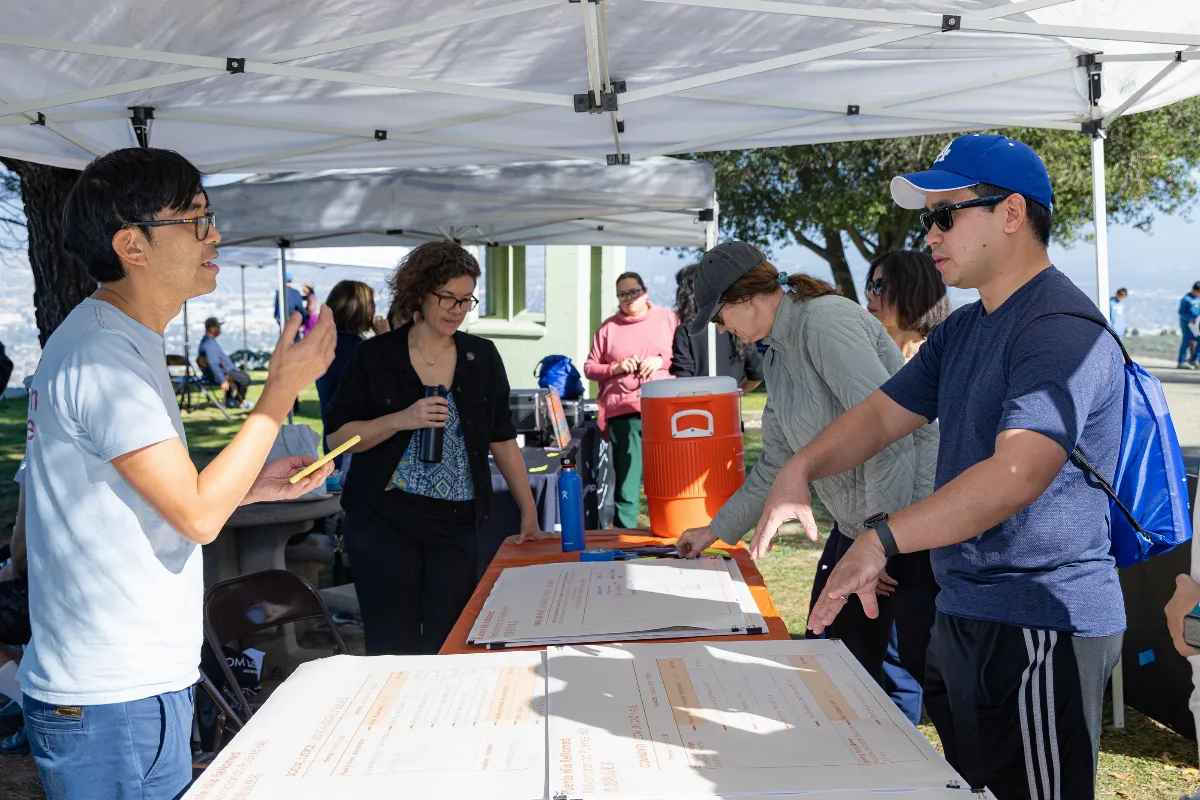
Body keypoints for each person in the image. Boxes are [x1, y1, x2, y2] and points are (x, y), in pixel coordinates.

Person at [753, 134, 1125, 798]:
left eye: (945, 213)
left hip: (1040, 622)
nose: (928, 233)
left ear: (1012, 213)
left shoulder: (1060, 328)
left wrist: (882, 537)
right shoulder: (966, 328)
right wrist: (798, 469)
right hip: (966, 610)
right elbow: (879, 416)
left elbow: (1018, 474)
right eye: (926, 217)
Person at [21, 147, 336, 799]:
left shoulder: (119, 339)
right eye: (195, 219)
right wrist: (278, 394)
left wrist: (257, 484)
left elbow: (166, 500)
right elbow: (195, 516)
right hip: (113, 694)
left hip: (130, 687)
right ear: (132, 244)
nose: (214, 235)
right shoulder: (104, 355)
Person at [674, 242, 939, 692]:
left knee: (926, 671)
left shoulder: (825, 322)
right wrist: (714, 530)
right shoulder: (777, 354)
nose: (722, 331)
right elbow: (778, 462)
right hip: (866, 527)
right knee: (834, 653)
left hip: (909, 524)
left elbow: (887, 433)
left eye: (720, 318)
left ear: (745, 298)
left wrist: (883, 539)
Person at [325, 242, 547, 656]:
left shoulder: (482, 356)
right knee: (393, 646)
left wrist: (529, 512)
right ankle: (389, 720)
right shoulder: (375, 357)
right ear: (420, 293)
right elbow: (338, 440)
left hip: (457, 523)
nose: (457, 309)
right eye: (447, 297)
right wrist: (400, 419)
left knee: (450, 641)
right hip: (384, 521)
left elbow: (502, 438)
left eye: (466, 300)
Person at [808, 248, 948, 724]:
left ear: (915, 290)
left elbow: (924, 459)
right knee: (835, 652)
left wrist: (885, 540)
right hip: (857, 530)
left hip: (912, 539)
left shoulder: (939, 359)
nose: (869, 295)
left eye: (880, 286)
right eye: (869, 284)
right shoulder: (863, 356)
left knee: (896, 669)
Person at [584, 272, 678, 528]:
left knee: (666, 475)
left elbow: (684, 357)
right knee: (627, 478)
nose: (629, 298)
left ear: (645, 291)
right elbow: (590, 367)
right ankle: (625, 535)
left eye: (633, 291)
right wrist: (615, 368)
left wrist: (660, 360)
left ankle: (671, 527)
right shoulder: (608, 328)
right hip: (624, 411)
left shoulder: (667, 319)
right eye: (622, 294)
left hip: (663, 407)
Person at [316, 280, 389, 470]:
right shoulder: (359, 349)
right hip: (359, 437)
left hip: (333, 431)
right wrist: (385, 341)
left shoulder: (325, 344)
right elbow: (387, 385)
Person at [670, 264, 763, 392]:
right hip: (728, 406)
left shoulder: (686, 331)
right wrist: (735, 395)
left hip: (697, 407)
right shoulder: (735, 325)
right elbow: (757, 373)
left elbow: (682, 378)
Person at [198, 316, 251, 408]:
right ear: (211, 329)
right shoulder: (209, 344)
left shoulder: (209, 341)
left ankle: (230, 400)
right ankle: (237, 402)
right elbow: (213, 363)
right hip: (223, 373)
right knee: (244, 379)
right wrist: (222, 380)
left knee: (242, 377)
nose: (220, 329)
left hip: (227, 370)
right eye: (218, 327)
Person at [1179, 282, 1200, 369]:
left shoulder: (1198, 299)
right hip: (1187, 324)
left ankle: (1194, 359)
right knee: (1186, 342)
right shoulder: (1186, 299)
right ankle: (1181, 361)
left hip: (1197, 325)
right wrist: (1190, 318)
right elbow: (1181, 312)